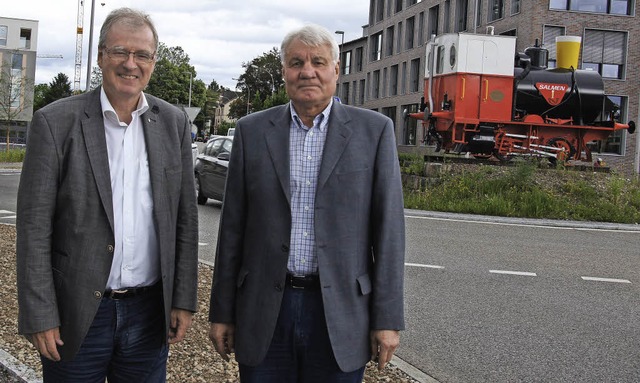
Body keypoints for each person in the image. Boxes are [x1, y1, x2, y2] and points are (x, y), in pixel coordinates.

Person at [208, 24, 405, 382]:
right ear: (284, 71)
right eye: (296, 62)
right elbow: (232, 229)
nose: (307, 71)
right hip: (265, 309)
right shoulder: (252, 132)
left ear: (336, 69)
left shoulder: (374, 132)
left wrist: (387, 320)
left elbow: (389, 233)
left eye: (318, 61)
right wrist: (221, 312)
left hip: (341, 312)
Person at [16, 7, 199, 382]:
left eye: (142, 55)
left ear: (152, 62)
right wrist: (40, 314)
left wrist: (182, 299)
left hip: (149, 314)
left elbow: (185, 219)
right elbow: (34, 228)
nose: (131, 64)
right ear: (101, 56)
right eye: (120, 52)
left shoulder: (173, 123)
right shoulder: (55, 122)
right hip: (77, 314)